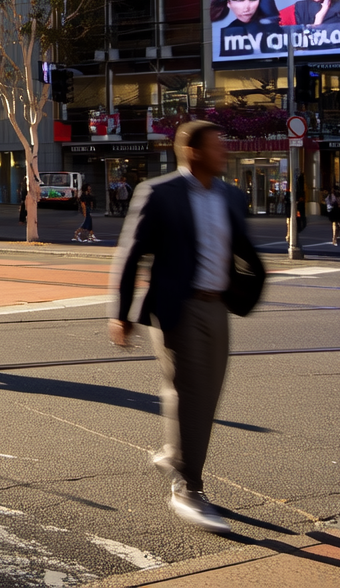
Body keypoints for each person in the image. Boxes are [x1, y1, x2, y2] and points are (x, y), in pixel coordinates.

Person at [111, 119, 267, 534]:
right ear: (194, 152)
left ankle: (173, 454)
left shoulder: (231, 195)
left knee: (205, 392)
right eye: (217, 147)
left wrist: (250, 286)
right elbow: (132, 256)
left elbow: (242, 251)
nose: (225, 152)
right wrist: (121, 313)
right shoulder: (160, 194)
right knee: (193, 392)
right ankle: (188, 488)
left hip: (218, 307)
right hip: (177, 308)